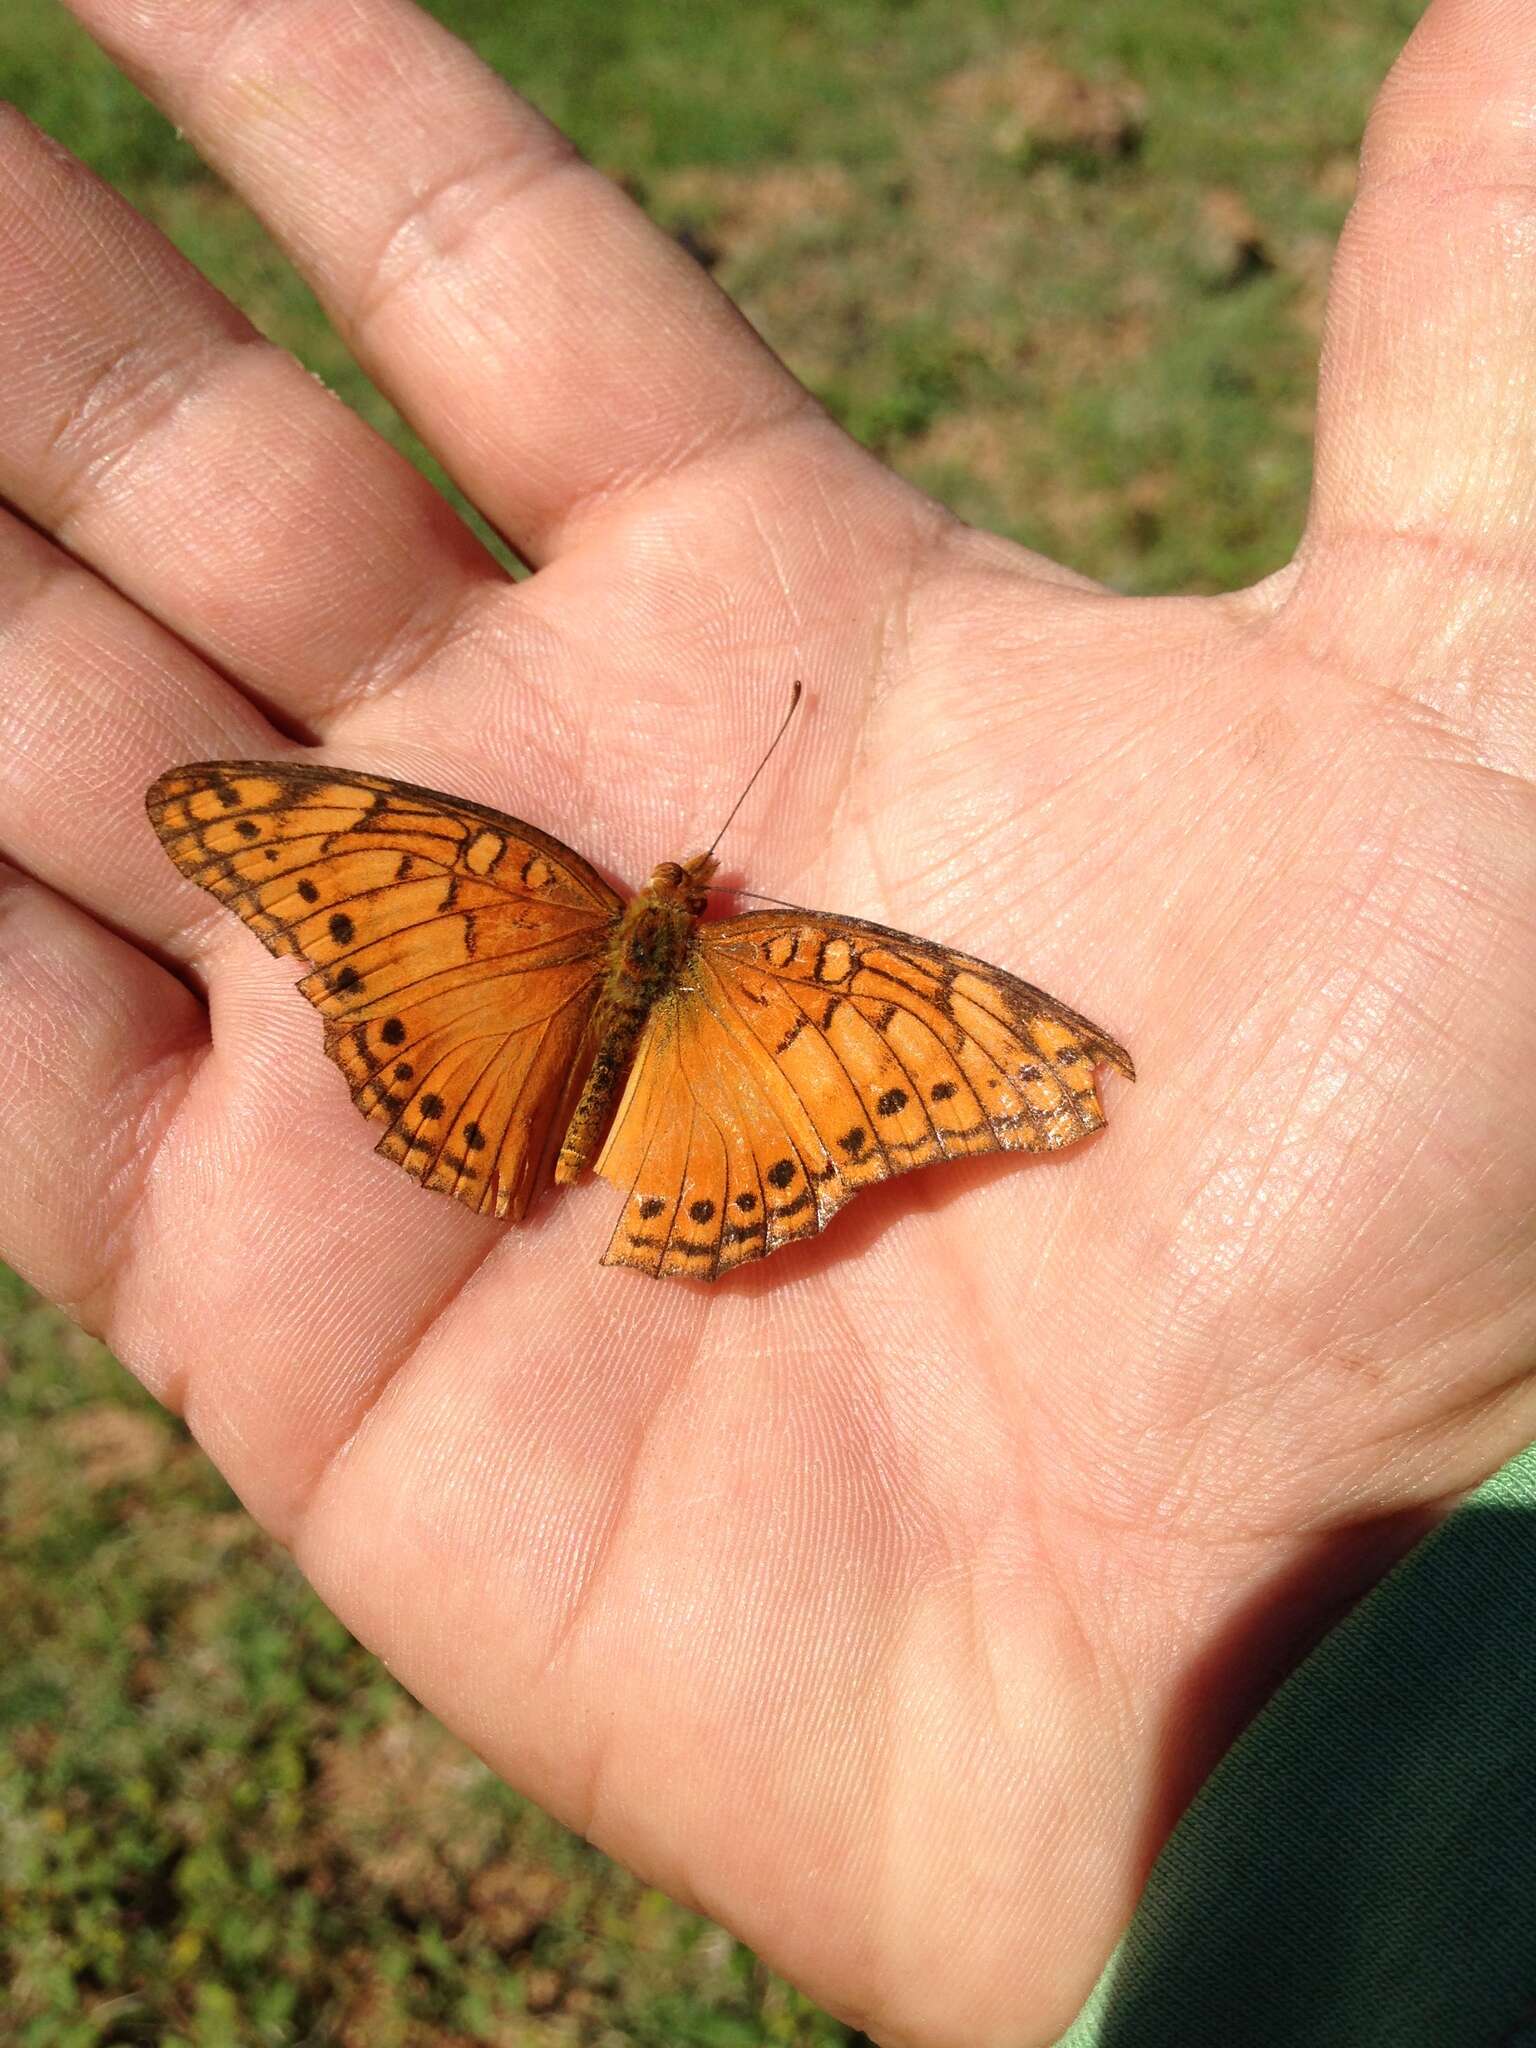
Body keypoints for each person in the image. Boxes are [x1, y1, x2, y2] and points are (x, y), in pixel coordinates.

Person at [1, 2, 1532, 2043]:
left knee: (502, 995)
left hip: (493, 1040)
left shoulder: (511, 888)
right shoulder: (802, 978)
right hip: (706, 1097)